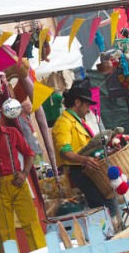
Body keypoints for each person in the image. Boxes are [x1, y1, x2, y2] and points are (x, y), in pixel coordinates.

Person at [51, 81, 119, 223]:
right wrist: (84, 160)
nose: (88, 110)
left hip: (92, 169)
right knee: (105, 206)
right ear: (77, 103)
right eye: (87, 105)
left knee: (107, 204)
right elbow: (64, 152)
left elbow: (91, 148)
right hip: (81, 171)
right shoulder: (63, 123)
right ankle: (109, 236)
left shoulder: (79, 122)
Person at [0, 112, 46, 253]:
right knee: (5, 231)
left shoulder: (12, 132)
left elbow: (30, 153)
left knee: (31, 224)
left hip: (17, 182)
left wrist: (24, 173)